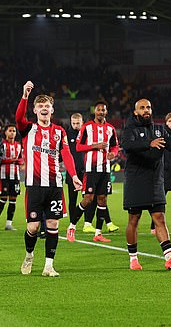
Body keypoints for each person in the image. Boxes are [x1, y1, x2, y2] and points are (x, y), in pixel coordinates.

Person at [16, 81, 82, 277]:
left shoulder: (59, 132)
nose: (44, 108)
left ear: (52, 110)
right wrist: (25, 95)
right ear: (35, 110)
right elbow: (19, 117)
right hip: (35, 186)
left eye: (47, 106)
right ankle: (29, 255)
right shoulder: (28, 129)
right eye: (41, 106)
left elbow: (67, 155)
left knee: (53, 225)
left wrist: (74, 176)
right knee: (33, 227)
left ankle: (48, 266)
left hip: (55, 185)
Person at [121, 99, 171, 270]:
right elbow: (127, 145)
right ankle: (133, 258)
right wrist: (148, 144)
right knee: (134, 219)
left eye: (148, 107)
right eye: (142, 107)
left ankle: (169, 256)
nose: (146, 110)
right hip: (136, 180)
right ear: (135, 112)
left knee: (159, 218)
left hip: (155, 181)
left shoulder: (159, 129)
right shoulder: (130, 128)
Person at [66, 101, 119, 243]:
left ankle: (98, 233)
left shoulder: (111, 129)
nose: (101, 112)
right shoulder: (86, 127)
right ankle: (72, 227)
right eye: (99, 110)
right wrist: (95, 146)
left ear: (106, 112)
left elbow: (115, 146)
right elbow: (78, 147)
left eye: (103, 110)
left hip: (105, 169)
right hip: (90, 169)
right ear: (94, 112)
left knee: (102, 199)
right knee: (88, 199)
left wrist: (113, 154)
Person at [0, 123, 23, 231]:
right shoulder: (1, 144)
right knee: (3, 199)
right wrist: (11, 160)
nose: (12, 133)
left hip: (15, 176)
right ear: (5, 132)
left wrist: (19, 161)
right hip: (4, 175)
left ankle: (9, 224)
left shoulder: (19, 145)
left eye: (14, 131)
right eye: (10, 130)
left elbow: (21, 159)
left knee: (13, 200)